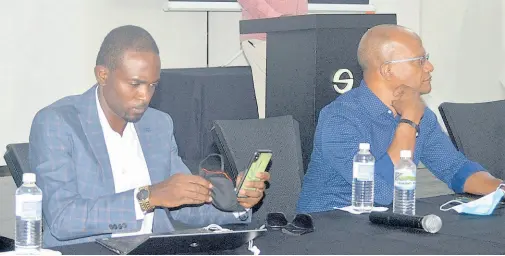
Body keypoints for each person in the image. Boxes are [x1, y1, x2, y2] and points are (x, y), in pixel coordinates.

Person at [29, 25, 270, 248]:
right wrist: (147, 197)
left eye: (152, 85)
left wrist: (237, 202)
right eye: (135, 84)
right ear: (102, 75)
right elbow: (62, 218)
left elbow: (183, 205)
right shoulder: (57, 123)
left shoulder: (158, 124)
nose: (145, 96)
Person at [296, 24, 503, 214]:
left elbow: (454, 168)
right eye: (420, 61)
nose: (429, 67)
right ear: (388, 70)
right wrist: (409, 121)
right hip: (329, 231)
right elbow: (382, 191)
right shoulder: (340, 118)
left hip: (384, 228)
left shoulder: (421, 114)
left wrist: (500, 188)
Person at [238, 0, 308, 118]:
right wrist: (275, 18)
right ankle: (270, 134)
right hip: (264, 37)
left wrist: (300, 24)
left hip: (293, 36)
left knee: (290, 97)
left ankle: (285, 134)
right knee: (271, 100)